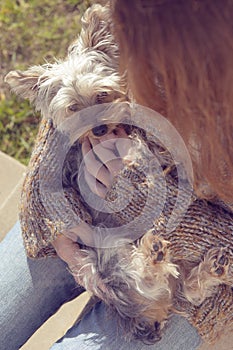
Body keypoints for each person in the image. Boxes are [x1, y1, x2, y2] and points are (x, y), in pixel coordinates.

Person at [1, 0, 232, 349]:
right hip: (78, 217)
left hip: (189, 273)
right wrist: (59, 229)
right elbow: (73, 88)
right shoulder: (145, 21)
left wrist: (142, 197)